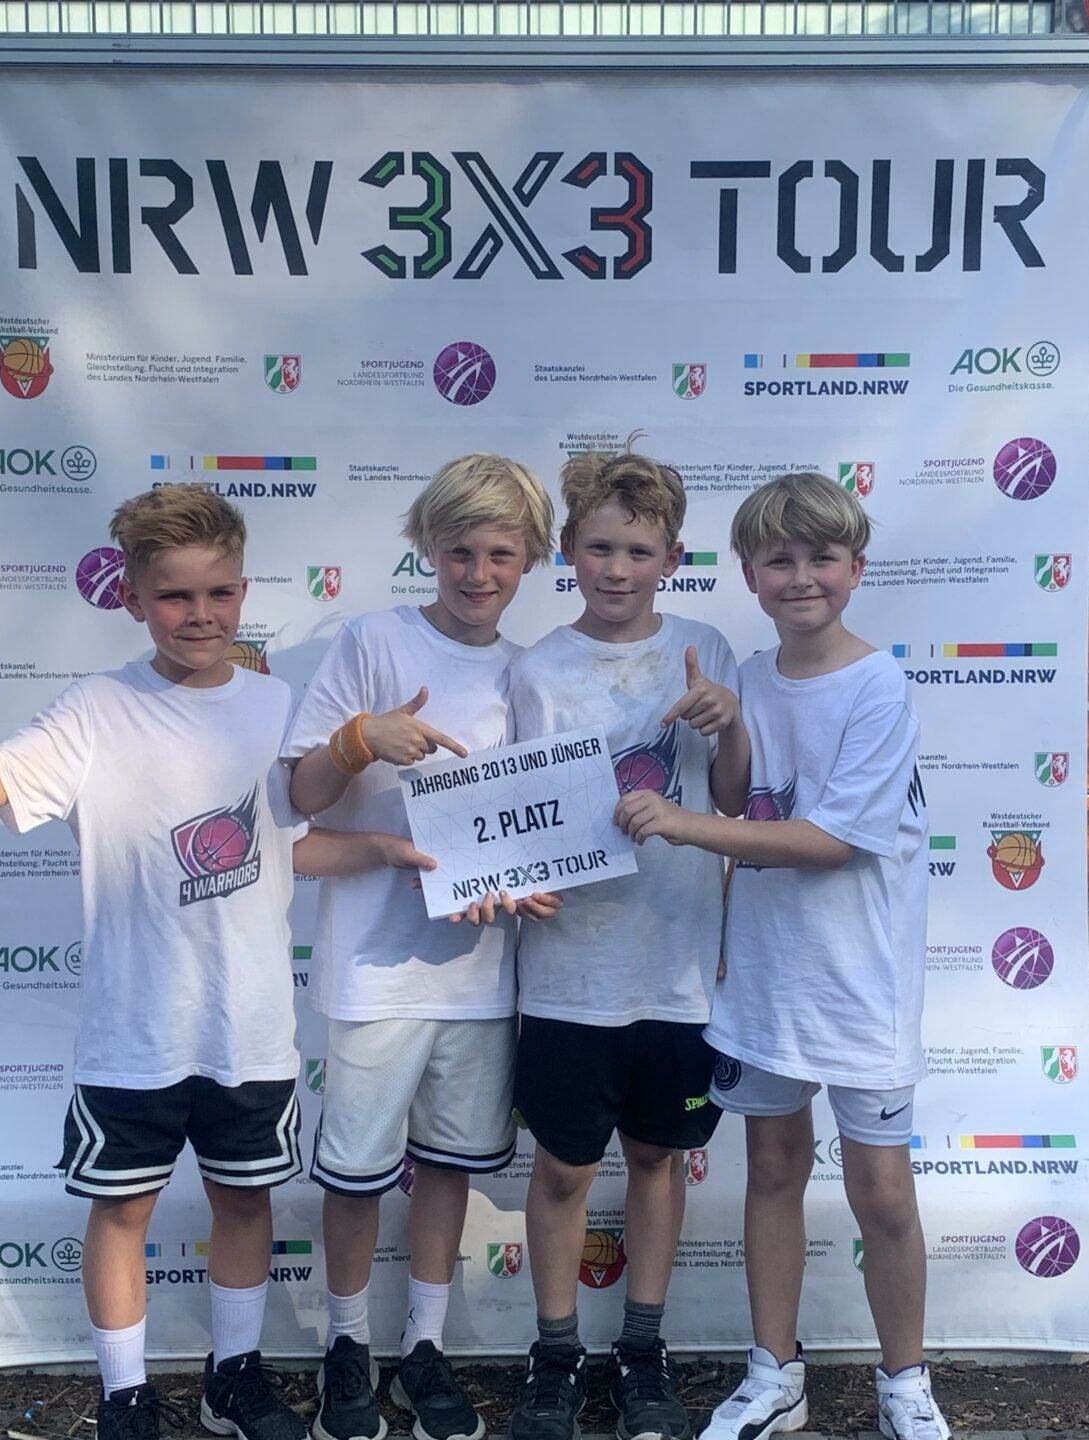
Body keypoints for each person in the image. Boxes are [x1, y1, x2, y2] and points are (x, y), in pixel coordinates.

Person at [0, 482, 401, 1440]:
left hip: (249, 1027)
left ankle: (234, 1378)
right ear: (134, 598)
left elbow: (289, 836)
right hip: (133, 1031)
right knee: (123, 1213)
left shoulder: (275, 705)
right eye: (176, 596)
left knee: (245, 1203)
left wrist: (390, 846)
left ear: (243, 592)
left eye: (220, 593)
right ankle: (125, 1395)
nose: (201, 615)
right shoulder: (97, 708)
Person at [612, 474, 946, 1440]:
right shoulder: (749, 677)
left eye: (821, 559)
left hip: (862, 981)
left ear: (856, 569)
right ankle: (775, 1372)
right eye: (779, 560)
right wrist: (725, 729)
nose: (802, 577)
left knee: (883, 1193)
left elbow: (829, 840)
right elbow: (738, 796)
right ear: (750, 575)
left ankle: (905, 1381)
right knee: (771, 1170)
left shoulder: (878, 686)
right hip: (763, 975)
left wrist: (680, 824)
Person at [283, 454, 558, 1440]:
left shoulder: (533, 670)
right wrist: (360, 740)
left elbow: (537, 821)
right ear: (427, 549)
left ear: (531, 560)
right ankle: (346, 1344)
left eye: (501, 555)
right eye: (460, 551)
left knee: (446, 1168)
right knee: (355, 1174)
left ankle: (425, 1348)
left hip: (481, 976)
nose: (479, 573)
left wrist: (514, 883)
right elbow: (299, 798)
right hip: (373, 969)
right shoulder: (372, 642)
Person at [502, 450, 749, 1440]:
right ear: (568, 550)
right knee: (563, 1171)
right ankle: (556, 1352)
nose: (617, 569)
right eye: (599, 547)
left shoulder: (706, 649)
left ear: (673, 559)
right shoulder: (536, 669)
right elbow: (513, 816)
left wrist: (730, 726)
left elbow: (734, 801)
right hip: (569, 970)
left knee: (656, 1159)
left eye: (639, 552)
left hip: (678, 968)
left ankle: (643, 1349)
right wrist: (511, 877)